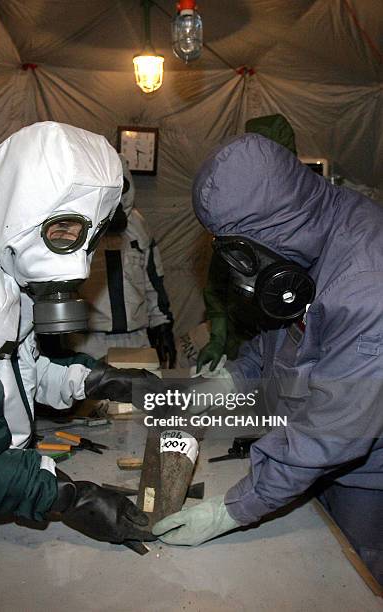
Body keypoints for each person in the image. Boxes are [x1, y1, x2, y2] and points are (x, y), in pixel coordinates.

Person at [0, 122, 159, 575]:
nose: (78, 256)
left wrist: (99, 379)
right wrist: (70, 498)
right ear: (26, 213)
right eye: (65, 230)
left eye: (88, 235)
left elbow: (17, 369)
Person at [153, 133, 383, 586]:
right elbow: (282, 335)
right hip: (309, 449)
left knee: (349, 583)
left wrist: (233, 509)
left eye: (240, 249)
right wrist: (233, 381)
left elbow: (335, 429)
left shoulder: (367, 287)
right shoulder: (306, 236)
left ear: (268, 229)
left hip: (368, 475)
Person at [196, 114, 297, 373]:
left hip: (291, 346)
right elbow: (217, 285)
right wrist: (218, 337)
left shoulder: (306, 217)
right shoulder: (236, 211)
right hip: (241, 342)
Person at [67, 155, 176, 368]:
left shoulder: (138, 227)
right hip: (88, 341)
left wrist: (163, 326)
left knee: (139, 399)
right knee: (94, 401)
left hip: (136, 339)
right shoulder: (76, 228)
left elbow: (153, 282)